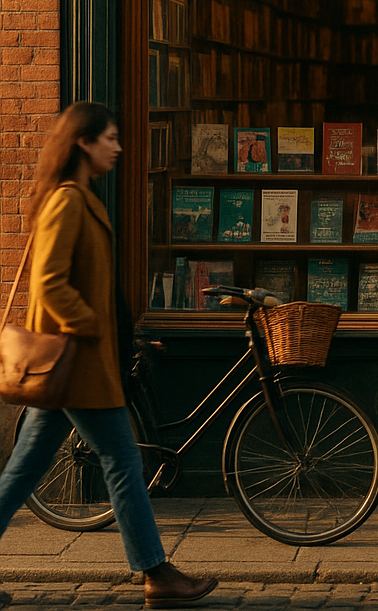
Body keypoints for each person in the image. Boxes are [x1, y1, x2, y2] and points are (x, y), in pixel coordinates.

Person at [0, 102, 218, 609]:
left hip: (81, 367)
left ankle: (157, 574)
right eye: (110, 138)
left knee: (23, 473)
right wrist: (95, 328)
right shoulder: (67, 202)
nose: (118, 147)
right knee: (122, 461)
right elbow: (50, 285)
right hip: (80, 367)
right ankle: (157, 574)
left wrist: (120, 332)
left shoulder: (80, 197)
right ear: (83, 142)